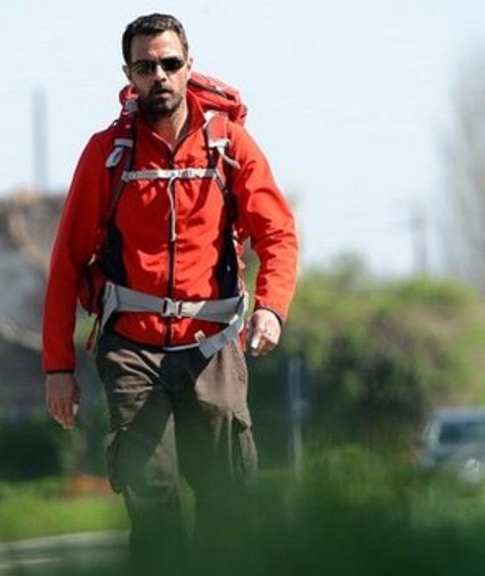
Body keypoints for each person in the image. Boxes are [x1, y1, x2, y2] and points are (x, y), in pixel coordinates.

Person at [41, 13, 298, 572]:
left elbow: (277, 233)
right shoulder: (107, 154)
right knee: (151, 496)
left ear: (188, 66)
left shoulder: (229, 146)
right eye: (145, 65)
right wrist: (57, 367)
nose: (158, 74)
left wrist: (272, 308)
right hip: (133, 349)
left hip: (212, 344)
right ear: (128, 75)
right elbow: (66, 263)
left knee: (228, 494)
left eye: (169, 63)